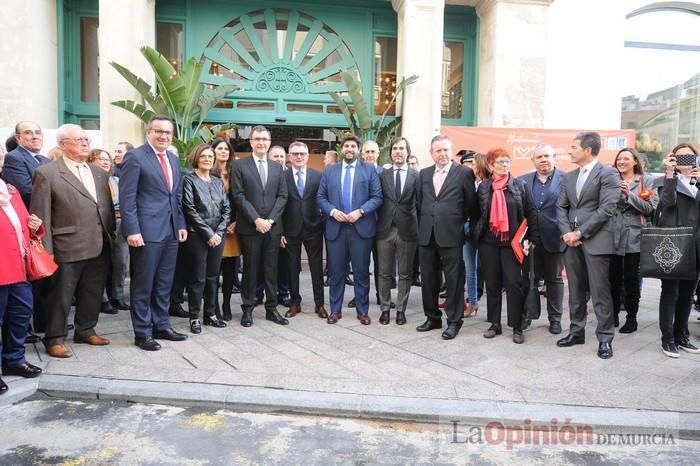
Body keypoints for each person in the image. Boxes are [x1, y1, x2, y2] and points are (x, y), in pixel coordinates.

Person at [30, 124, 116, 358]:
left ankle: (86, 329)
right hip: (66, 244)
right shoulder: (47, 173)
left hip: (100, 242)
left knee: (93, 290)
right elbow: (41, 213)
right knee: (61, 294)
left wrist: (111, 235)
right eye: (78, 139)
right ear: (62, 144)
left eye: (86, 139)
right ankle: (54, 337)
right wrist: (46, 249)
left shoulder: (98, 172)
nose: (84, 142)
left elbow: (105, 207)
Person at [119, 115, 189, 351]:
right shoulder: (136, 157)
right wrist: (132, 230)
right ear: (148, 132)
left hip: (170, 231)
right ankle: (142, 332)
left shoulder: (172, 158)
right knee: (143, 283)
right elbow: (127, 198)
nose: (164, 136)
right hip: (146, 232)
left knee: (164, 283)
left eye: (168, 133)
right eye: (159, 131)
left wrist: (180, 225)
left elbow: (176, 196)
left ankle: (161, 324)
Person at [556, 132, 620, 359]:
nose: (569, 151)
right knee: (575, 290)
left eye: (573, 147)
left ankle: (605, 338)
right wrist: (566, 233)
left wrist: (581, 232)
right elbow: (560, 207)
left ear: (588, 150)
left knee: (600, 291)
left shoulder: (608, 173)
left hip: (596, 241)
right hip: (570, 243)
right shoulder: (569, 176)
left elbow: (607, 209)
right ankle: (576, 331)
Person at [472, 148, 538, 344]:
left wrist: (532, 238)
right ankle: (494, 323)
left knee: (513, 284)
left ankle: (517, 326)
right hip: (489, 243)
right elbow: (477, 212)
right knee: (492, 284)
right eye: (500, 162)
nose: (505, 165)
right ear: (491, 165)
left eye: (507, 161)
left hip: (512, 243)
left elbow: (531, 212)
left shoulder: (519, 185)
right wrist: (475, 233)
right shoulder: (484, 187)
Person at [415, 135, 477, 340]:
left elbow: (471, 205)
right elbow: (419, 203)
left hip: (451, 233)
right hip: (427, 234)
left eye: (445, 150)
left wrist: (456, 221)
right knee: (429, 278)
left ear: (451, 152)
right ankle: (432, 317)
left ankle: (454, 321)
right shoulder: (423, 174)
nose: (442, 154)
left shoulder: (464, 173)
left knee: (454, 280)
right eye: (438, 150)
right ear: (431, 153)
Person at [318, 134, 383, 325]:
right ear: (342, 149)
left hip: (360, 229)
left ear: (358, 150)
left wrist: (361, 211)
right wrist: (332, 211)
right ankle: (335, 310)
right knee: (336, 273)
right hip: (335, 229)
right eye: (346, 146)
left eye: (353, 146)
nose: (349, 149)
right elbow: (321, 197)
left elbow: (377, 197)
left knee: (362, 273)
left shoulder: (369, 170)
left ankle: (362, 311)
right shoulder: (330, 171)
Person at [230, 125, 289, 327]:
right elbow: (238, 196)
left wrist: (270, 220)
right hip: (250, 228)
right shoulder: (240, 166)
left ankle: (271, 309)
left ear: (269, 142)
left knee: (271, 270)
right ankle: (248, 309)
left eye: (265, 139)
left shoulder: (277, 167)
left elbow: (283, 196)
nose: (261, 142)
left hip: (273, 228)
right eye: (257, 139)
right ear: (251, 142)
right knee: (250, 270)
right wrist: (256, 219)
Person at [0, 163, 44, 392]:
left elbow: (22, 226)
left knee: (20, 314)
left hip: (18, 266)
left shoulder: (11, 191)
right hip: (1, 266)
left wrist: (34, 227)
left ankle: (14, 360)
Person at [654, 143, 700, 358]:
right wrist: (670, 174)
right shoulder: (666, 181)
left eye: (689, 157)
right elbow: (667, 203)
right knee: (670, 292)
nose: (685, 161)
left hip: (696, 246)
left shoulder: (697, 181)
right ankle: (668, 338)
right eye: (679, 158)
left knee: (688, 294)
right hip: (674, 245)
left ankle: (682, 335)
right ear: (671, 159)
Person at [181, 144, 231, 334]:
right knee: (197, 278)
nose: (208, 159)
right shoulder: (189, 180)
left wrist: (218, 233)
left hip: (218, 237)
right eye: (204, 156)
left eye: (210, 156)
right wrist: (208, 234)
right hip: (197, 236)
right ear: (196, 158)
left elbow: (226, 209)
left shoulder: (218, 182)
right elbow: (189, 210)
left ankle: (210, 314)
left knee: (212, 277)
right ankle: (194, 316)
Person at [519, 144, 566, 334]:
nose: (543, 159)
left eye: (547, 155)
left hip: (556, 238)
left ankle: (555, 319)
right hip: (530, 241)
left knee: (554, 280)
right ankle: (528, 315)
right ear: (533, 161)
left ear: (554, 157)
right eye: (539, 157)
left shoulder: (566, 179)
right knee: (529, 279)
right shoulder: (522, 181)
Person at [610, 147, 656, 333]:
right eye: (619, 159)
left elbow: (649, 208)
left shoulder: (646, 180)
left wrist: (630, 195)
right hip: (611, 235)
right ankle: (612, 315)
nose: (621, 162)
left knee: (631, 280)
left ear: (635, 161)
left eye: (626, 158)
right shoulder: (611, 179)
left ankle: (631, 319)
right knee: (611, 279)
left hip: (634, 237)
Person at [281, 141, 327, 319]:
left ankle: (319, 304)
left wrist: (321, 222)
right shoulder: (282, 177)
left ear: (307, 156)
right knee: (292, 268)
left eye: (302, 153)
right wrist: (281, 231)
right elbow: (280, 205)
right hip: (290, 230)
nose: (299, 156)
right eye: (295, 154)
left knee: (316, 267)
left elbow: (323, 199)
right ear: (289, 157)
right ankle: (295, 303)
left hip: (313, 228)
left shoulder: (318, 176)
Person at [376, 137, 418, 325]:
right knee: (384, 273)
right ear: (391, 152)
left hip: (407, 231)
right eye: (395, 148)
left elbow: (420, 204)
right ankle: (385, 309)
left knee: (405, 273)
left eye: (402, 148)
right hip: (385, 231)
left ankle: (401, 310)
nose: (398, 151)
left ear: (407, 152)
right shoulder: (382, 175)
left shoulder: (416, 176)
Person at [211, 137, 241, 321]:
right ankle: (213, 307)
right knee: (214, 270)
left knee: (231, 270)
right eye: (220, 148)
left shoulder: (235, 172)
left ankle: (227, 304)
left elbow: (241, 199)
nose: (223, 151)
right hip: (214, 229)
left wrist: (236, 221)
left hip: (233, 229)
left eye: (226, 149)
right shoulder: (207, 171)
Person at [87, 149, 119, 315]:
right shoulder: (89, 180)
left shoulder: (114, 180)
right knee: (97, 268)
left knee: (113, 265)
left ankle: (114, 296)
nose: (106, 162)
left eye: (108, 159)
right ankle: (102, 299)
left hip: (113, 226)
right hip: (95, 229)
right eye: (101, 159)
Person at [2, 121, 50, 207]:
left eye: (38, 133)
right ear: (18, 137)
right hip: (33, 215)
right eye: (28, 133)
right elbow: (26, 193)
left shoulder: (47, 160)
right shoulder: (14, 158)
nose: (35, 137)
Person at [407, 155, 422, 286]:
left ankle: (415, 276)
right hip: (407, 218)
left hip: (420, 218)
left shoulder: (420, 178)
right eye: (409, 163)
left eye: (413, 163)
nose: (411, 166)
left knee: (417, 249)